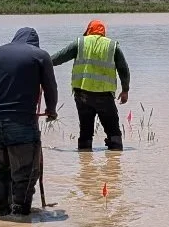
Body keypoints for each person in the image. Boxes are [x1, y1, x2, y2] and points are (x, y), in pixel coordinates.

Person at [0, 27, 59, 218]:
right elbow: (50, 88)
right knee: (26, 174)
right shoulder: (40, 56)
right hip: (22, 124)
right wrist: (51, 110)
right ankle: (21, 214)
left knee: (0, 170)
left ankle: (2, 211)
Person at [47, 18, 130, 151]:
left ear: (88, 30)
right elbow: (123, 69)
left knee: (85, 129)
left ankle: (85, 159)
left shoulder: (79, 43)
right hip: (105, 95)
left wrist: (41, 63)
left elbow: (58, 58)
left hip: (82, 95)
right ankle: (115, 156)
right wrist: (125, 90)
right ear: (103, 32)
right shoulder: (112, 46)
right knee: (113, 129)